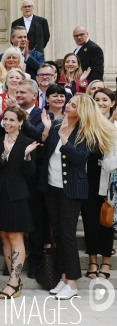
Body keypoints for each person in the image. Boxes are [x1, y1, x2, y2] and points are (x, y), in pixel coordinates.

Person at [38, 94, 116, 299]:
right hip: (52, 187)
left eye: (72, 105)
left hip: (72, 190)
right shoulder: (55, 126)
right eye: (69, 103)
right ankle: (64, 278)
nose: (67, 106)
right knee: (58, 234)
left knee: (67, 235)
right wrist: (47, 132)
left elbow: (78, 157)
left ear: (81, 110)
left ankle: (72, 283)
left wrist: (65, 138)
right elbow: (45, 153)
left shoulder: (87, 132)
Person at [0, 106, 39, 299]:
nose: (8, 123)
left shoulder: (29, 142)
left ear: (20, 122)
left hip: (18, 195)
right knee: (3, 236)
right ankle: (15, 280)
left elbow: (30, 174)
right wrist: (5, 153)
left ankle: (13, 281)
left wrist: (26, 155)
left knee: (16, 237)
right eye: (5, 119)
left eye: (12, 120)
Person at [82, 88, 117, 280]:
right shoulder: (86, 125)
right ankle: (93, 261)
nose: (101, 103)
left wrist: (105, 162)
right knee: (89, 222)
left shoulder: (115, 128)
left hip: (107, 183)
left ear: (113, 102)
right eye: (97, 99)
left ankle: (106, 261)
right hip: (87, 182)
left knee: (105, 222)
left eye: (105, 99)